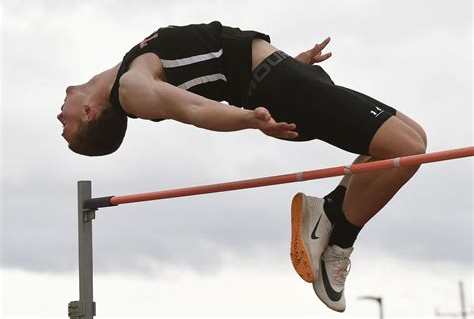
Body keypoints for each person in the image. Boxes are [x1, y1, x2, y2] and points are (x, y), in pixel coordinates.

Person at [57, 21, 427, 312]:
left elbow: (216, 65)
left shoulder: (132, 64)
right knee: (407, 149)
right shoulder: (131, 89)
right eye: (67, 127)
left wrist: (288, 66)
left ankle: (328, 211)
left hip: (281, 77)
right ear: (90, 113)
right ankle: (338, 244)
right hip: (280, 90)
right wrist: (250, 118)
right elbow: (194, 109)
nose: (60, 118)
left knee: (413, 139)